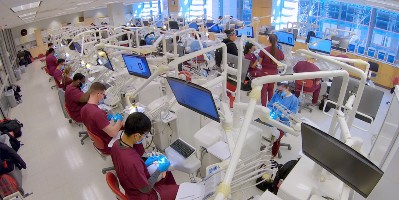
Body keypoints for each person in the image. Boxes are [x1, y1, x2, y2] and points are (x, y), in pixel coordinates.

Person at [111, 112, 179, 200]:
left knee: (167, 174)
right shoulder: (133, 161)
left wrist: (145, 164)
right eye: (144, 135)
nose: (144, 138)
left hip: (130, 185)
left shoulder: (116, 145)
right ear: (136, 135)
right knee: (180, 190)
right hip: (143, 196)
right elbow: (146, 189)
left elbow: (126, 170)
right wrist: (159, 170)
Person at [80, 82, 123, 154]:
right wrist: (119, 120)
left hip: (99, 140)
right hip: (107, 144)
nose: (103, 97)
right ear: (98, 94)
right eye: (104, 95)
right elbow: (113, 133)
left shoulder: (84, 108)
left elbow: (95, 123)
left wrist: (106, 119)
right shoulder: (98, 113)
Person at [267, 82, 299, 159]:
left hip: (283, 122)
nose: (279, 91)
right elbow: (269, 105)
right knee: (265, 129)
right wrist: (274, 115)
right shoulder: (277, 94)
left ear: (287, 88)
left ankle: (273, 155)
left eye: (281, 89)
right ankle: (271, 139)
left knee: (277, 136)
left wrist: (282, 116)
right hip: (273, 118)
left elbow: (292, 114)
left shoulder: (294, 100)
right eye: (278, 89)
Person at [258, 34, 285, 106]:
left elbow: (259, 62)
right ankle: (270, 105)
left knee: (264, 90)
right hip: (274, 73)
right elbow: (282, 60)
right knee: (270, 89)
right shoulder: (280, 52)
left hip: (265, 72)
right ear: (276, 41)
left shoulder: (264, 50)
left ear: (268, 40)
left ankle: (263, 106)